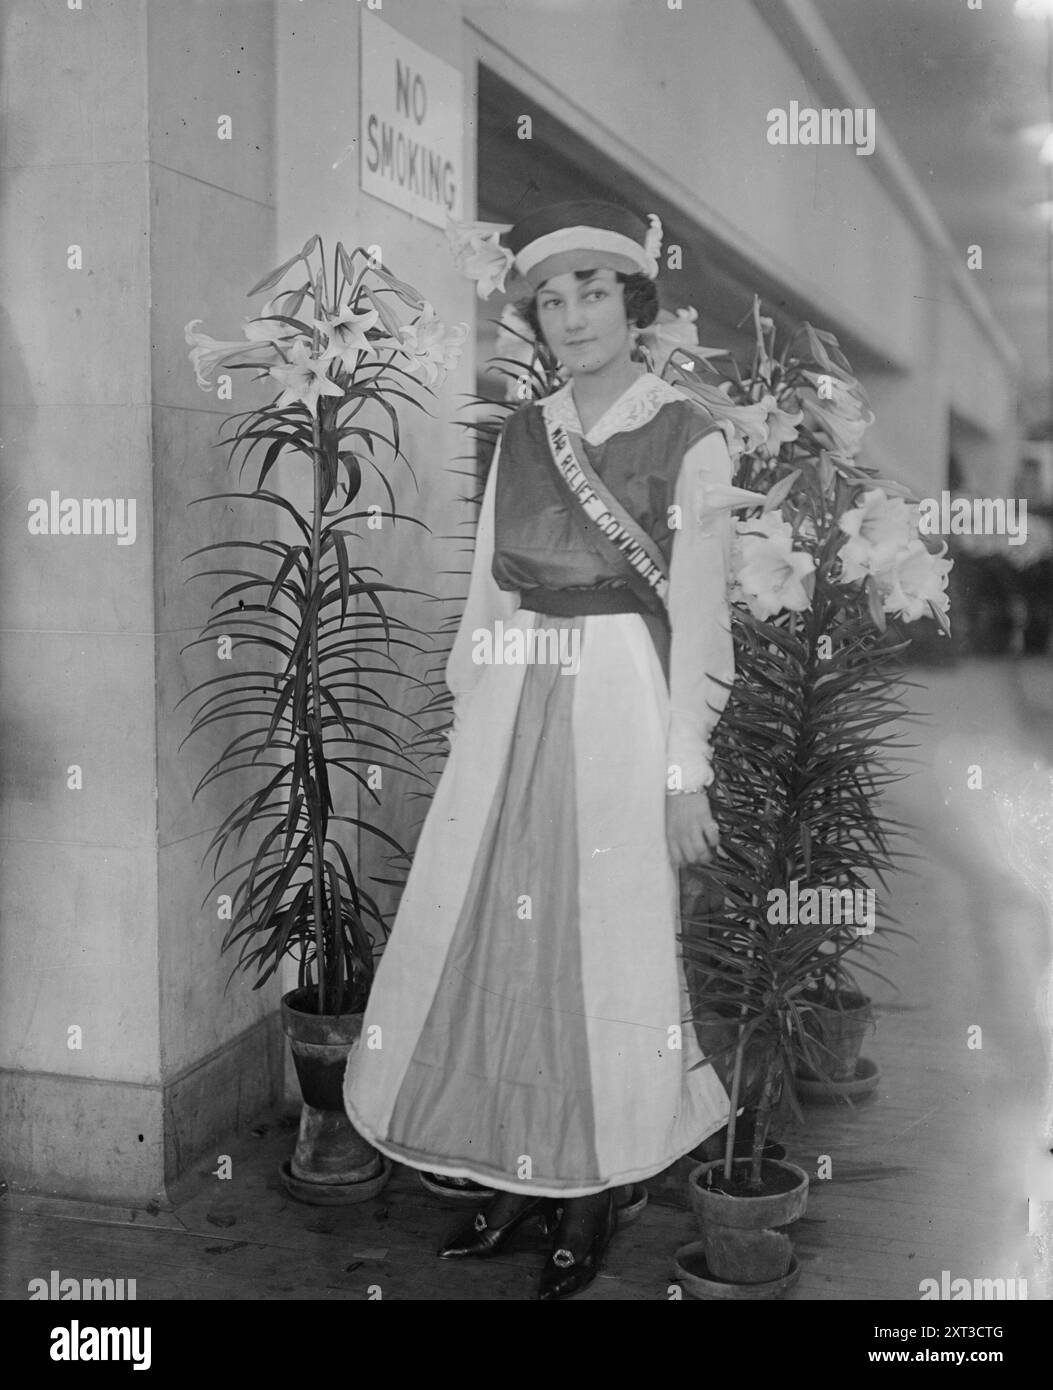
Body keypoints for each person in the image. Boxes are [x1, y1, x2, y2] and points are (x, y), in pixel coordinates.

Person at [343, 200, 735, 1300]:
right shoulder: (522, 431)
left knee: (600, 944)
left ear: (634, 303)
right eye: (551, 298)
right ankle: (515, 1173)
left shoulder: (690, 434)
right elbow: (483, 588)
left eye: (593, 291)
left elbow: (702, 615)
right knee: (495, 941)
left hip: (620, 698)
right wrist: (473, 718)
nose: (570, 315)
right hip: (515, 692)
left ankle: (592, 1187)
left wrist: (684, 768)